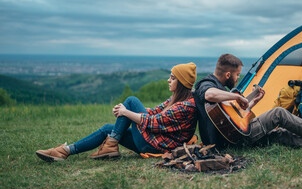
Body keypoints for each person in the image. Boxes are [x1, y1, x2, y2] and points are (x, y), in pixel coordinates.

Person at [194, 53, 302, 151]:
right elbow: (208, 95)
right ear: (228, 75)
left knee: (280, 134)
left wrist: (253, 103)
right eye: (237, 75)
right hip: (229, 142)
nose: (238, 79)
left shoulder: (222, 90)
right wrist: (237, 97)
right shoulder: (206, 84)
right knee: (278, 113)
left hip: (236, 135)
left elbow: (234, 119)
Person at [36, 62, 198, 162]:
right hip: (151, 142)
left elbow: (152, 122)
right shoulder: (174, 100)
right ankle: (65, 151)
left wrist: (127, 112)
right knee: (108, 128)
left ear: (182, 82)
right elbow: (152, 111)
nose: (168, 80)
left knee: (132, 100)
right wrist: (126, 112)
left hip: (154, 145)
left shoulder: (186, 106)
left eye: (173, 78)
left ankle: (111, 145)